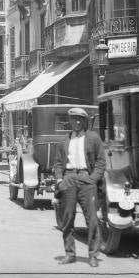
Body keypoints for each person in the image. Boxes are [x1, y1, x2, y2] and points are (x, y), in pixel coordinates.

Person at [52, 107, 107, 268]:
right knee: (67, 219)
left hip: (86, 179)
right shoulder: (64, 141)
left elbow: (101, 162)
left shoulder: (93, 138)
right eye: (73, 119)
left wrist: (93, 179)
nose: (76, 122)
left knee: (92, 219)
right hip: (68, 179)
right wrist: (59, 181)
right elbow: (58, 164)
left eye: (79, 119)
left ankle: (93, 255)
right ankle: (70, 254)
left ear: (84, 121)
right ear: (69, 121)